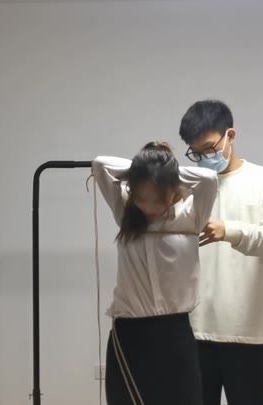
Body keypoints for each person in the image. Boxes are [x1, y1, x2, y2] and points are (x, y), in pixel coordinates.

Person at [178, 100, 263, 405]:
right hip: (195, 327)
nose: (203, 158)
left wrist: (229, 231)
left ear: (230, 135)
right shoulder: (189, 187)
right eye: (195, 153)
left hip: (246, 328)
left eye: (208, 148)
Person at [92, 141, 218, 405]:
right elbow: (101, 165)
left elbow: (208, 178)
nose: (148, 208)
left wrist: (165, 173)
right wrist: (144, 170)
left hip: (174, 331)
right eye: (141, 198)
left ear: (173, 191)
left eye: (157, 199)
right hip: (129, 332)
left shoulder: (192, 216)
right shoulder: (125, 212)